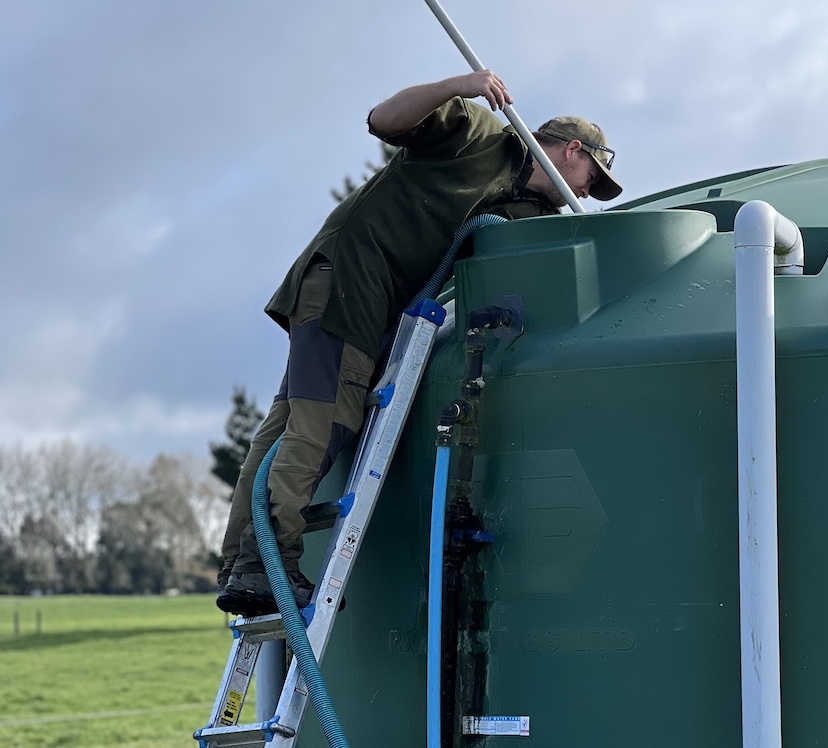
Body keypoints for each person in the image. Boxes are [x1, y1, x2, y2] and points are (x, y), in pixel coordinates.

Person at [216, 70, 622, 615]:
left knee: (285, 426)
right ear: (572, 150)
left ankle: (240, 565)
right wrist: (462, 85)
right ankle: (268, 564)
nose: (585, 194)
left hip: (361, 301)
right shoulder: (475, 133)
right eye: (592, 178)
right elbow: (383, 119)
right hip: (347, 282)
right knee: (324, 422)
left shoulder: (529, 214)